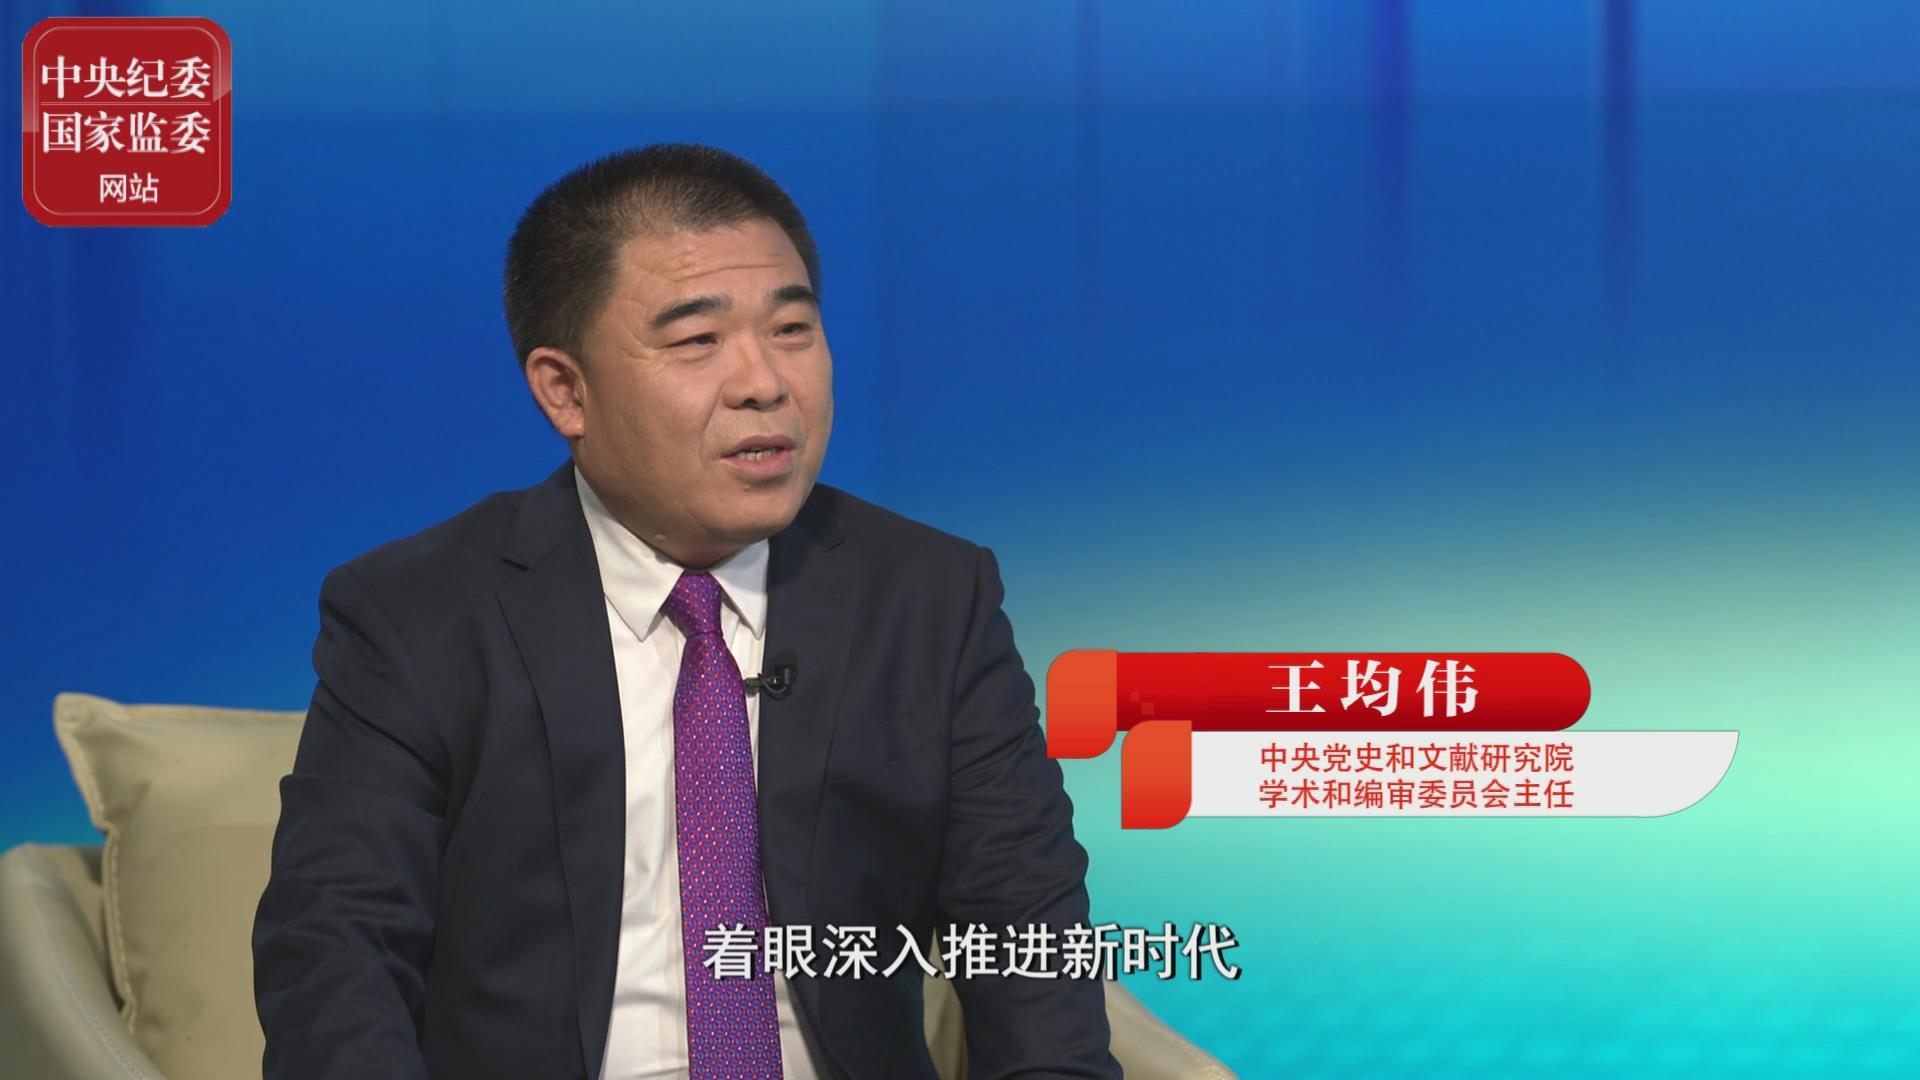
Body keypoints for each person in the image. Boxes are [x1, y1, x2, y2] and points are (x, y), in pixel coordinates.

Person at [252, 144, 1119, 1080]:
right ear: (565, 391)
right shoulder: (418, 615)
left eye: (792, 328)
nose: (764, 383)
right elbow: (335, 950)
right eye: (698, 341)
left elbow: (1028, 932)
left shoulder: (929, 597)